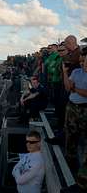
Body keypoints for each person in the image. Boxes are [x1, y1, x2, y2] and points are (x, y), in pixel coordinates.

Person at [62, 47, 87, 191]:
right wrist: (65, 73)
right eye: (81, 61)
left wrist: (75, 89)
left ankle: (82, 182)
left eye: (84, 61)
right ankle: (70, 163)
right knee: (70, 135)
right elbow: (67, 87)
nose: (82, 63)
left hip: (84, 109)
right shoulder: (77, 72)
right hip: (72, 107)